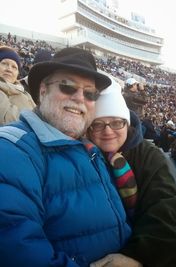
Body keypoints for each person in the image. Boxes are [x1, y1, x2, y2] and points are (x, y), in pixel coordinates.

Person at [0, 47, 143, 267]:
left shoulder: (91, 148)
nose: (79, 98)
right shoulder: (12, 149)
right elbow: (18, 250)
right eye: (67, 86)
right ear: (43, 91)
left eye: (90, 93)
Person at [88, 79, 176, 267]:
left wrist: (138, 257)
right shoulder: (85, 154)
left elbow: (162, 206)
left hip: (166, 255)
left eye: (116, 123)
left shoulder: (149, 156)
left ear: (127, 123)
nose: (108, 131)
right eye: (98, 124)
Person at [0, 45, 35, 125]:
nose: (9, 69)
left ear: (18, 73)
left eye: (14, 67)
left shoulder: (24, 92)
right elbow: (8, 121)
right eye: (4, 63)